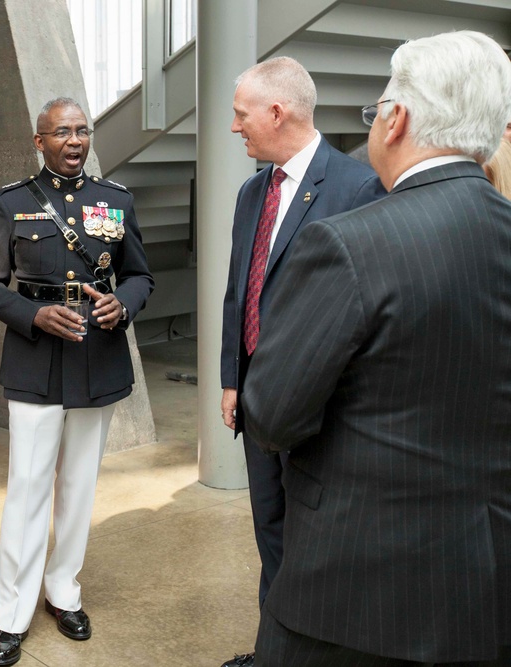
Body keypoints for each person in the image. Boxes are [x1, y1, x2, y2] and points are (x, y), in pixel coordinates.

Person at [241, 30, 511, 666]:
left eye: (377, 109)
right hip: (488, 589)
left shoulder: (348, 245)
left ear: (398, 120)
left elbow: (274, 415)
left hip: (355, 595)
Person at [0, 97, 153, 666]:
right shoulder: (14, 203)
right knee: (27, 490)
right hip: (36, 360)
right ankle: (11, 615)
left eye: (82, 131)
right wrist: (31, 314)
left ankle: (63, 590)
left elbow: (140, 274)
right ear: (39, 141)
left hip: (97, 356)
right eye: (62, 133)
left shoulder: (115, 200)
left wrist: (121, 305)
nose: (75, 141)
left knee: (79, 485)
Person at [218, 57, 385, 667]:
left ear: (276, 112)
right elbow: (241, 290)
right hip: (259, 401)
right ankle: (273, 652)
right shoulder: (250, 193)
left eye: (241, 115)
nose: (234, 127)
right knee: (271, 531)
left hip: (323, 406)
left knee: (318, 542)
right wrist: (232, 378)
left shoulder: (358, 185)